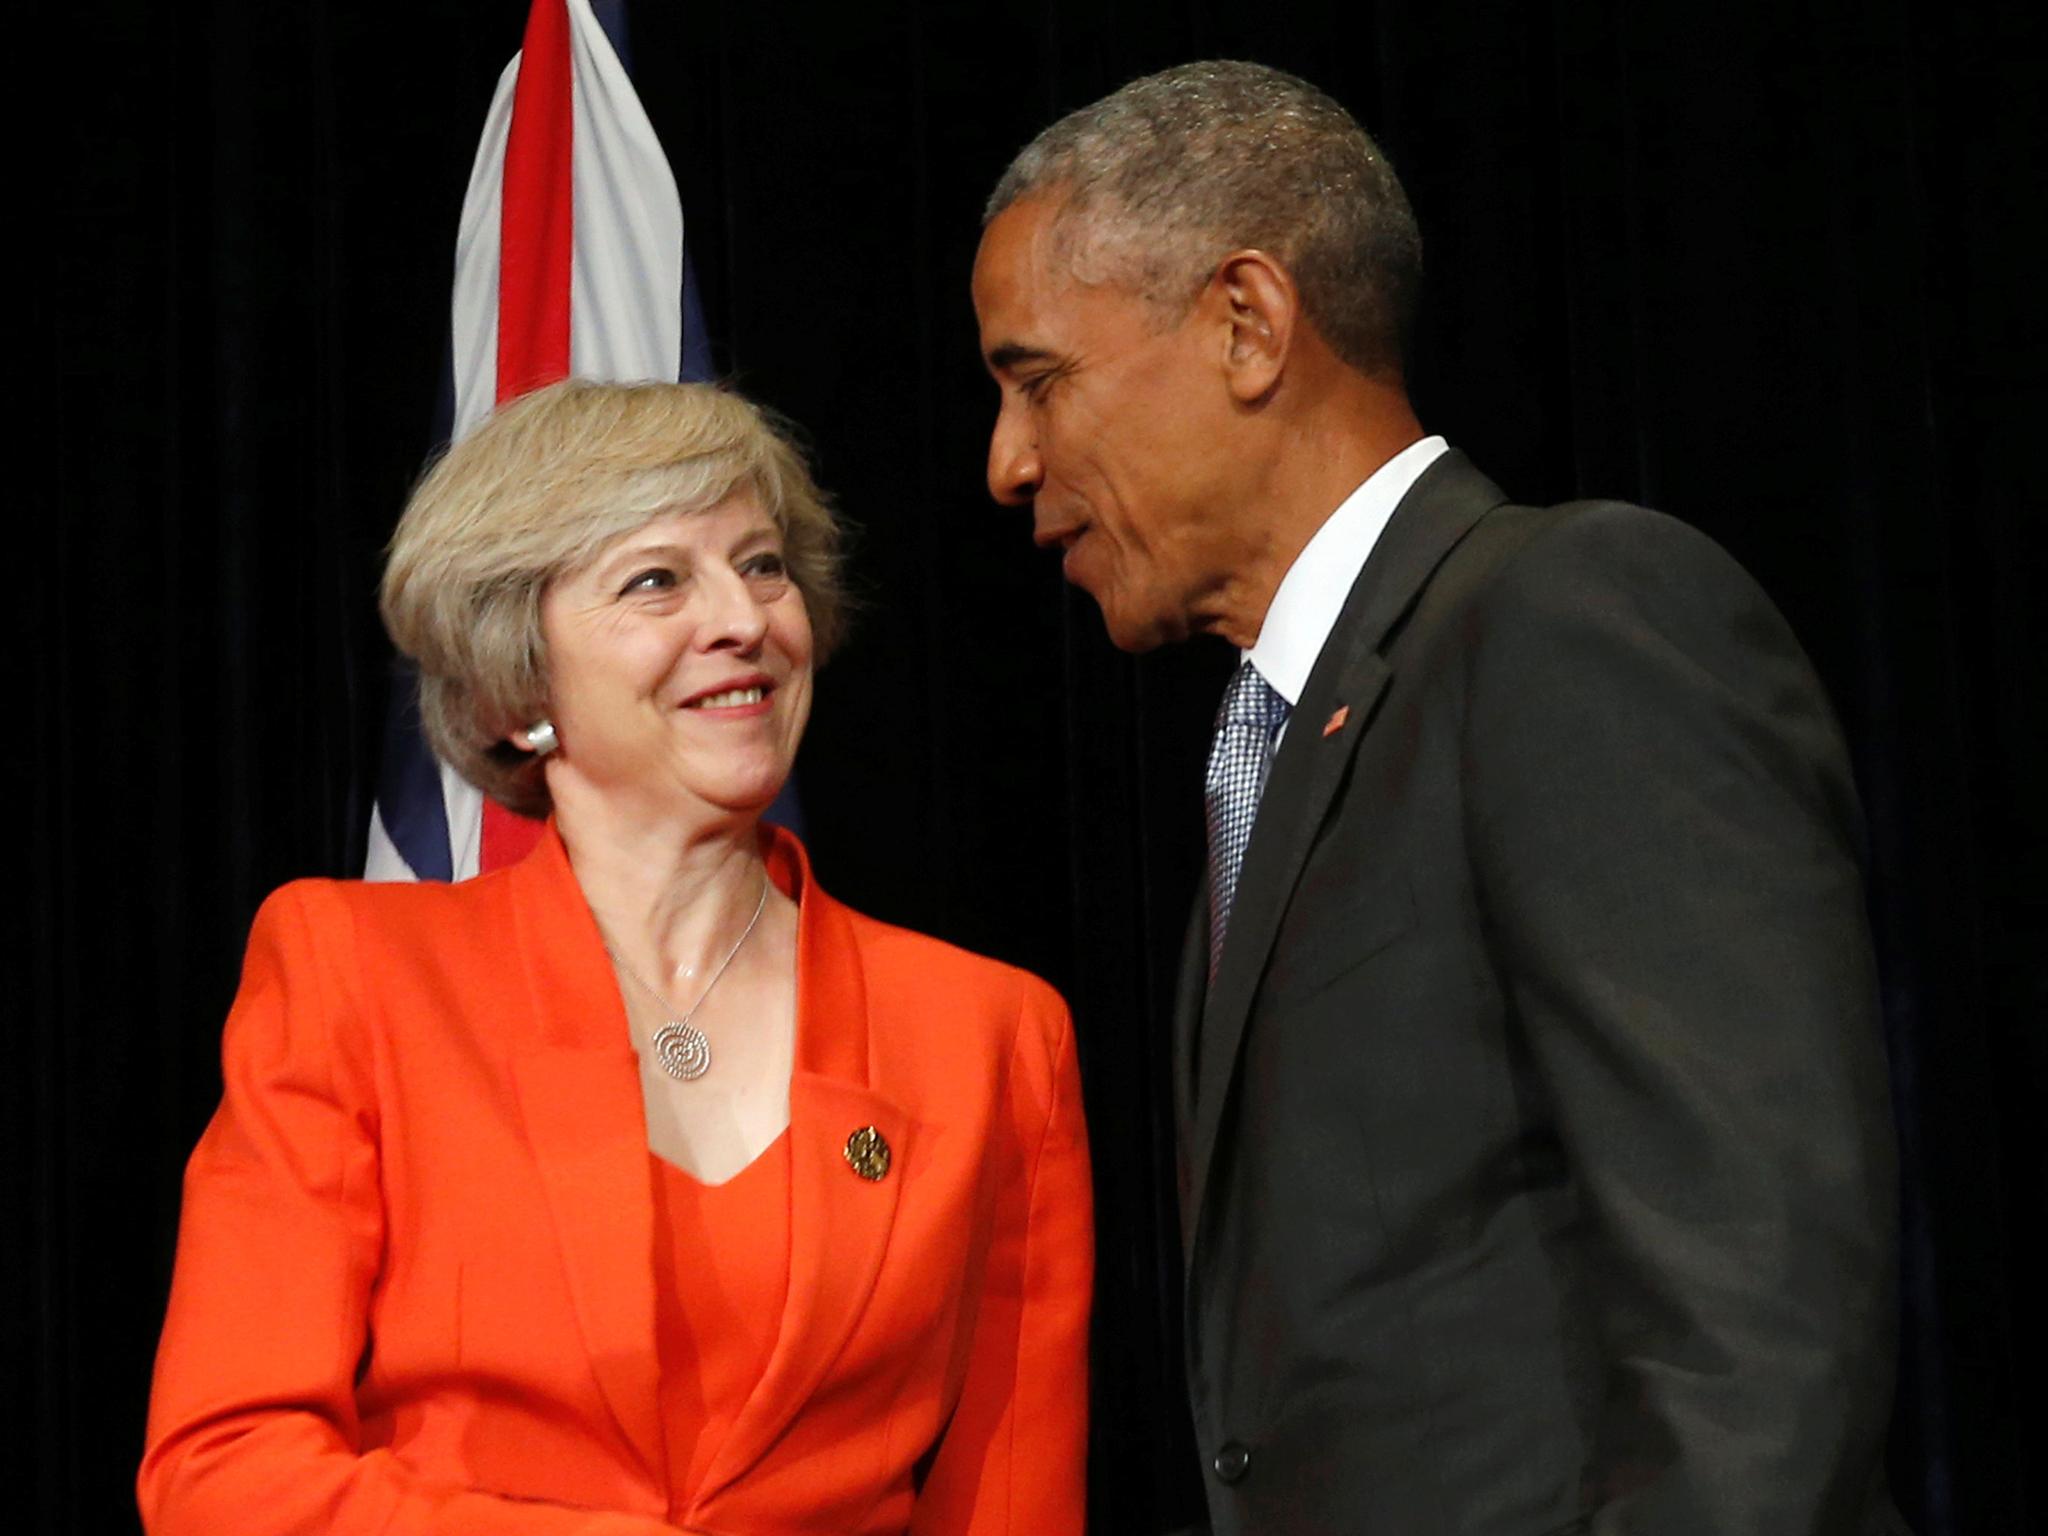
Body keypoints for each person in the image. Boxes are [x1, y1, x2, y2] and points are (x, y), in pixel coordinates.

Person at [973, 60, 1900, 1536]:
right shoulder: (1274, 742)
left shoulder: (1565, 619)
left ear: (1246, 323)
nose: (1008, 464)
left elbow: (1755, 1296)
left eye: (1038, 380)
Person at [138, 379, 1092, 1536]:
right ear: (516, 685)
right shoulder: (358, 974)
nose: (742, 619)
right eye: (657, 580)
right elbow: (223, 1472)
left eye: (762, 566)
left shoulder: (988, 1032)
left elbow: (1011, 1502)